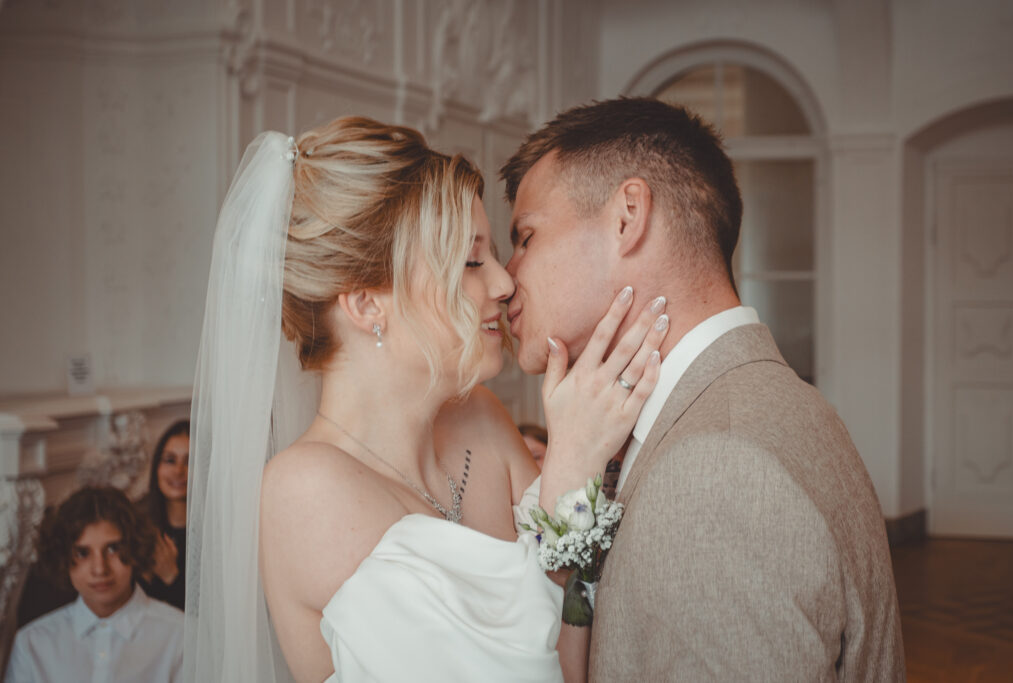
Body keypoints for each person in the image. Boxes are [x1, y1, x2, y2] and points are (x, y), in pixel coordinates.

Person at [185, 117, 667, 682]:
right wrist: (571, 470)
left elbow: (592, 602)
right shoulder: (303, 491)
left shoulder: (481, 418)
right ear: (366, 304)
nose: (505, 284)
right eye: (469, 262)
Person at [500, 97, 906, 681]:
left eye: (525, 237)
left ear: (627, 216)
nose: (507, 279)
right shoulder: (776, 403)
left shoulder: (716, 470)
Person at [5, 487, 184, 683]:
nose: (100, 569)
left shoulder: (180, 635)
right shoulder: (31, 643)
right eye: (82, 553)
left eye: (113, 549)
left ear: (135, 547)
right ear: (63, 557)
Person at [137, 419, 189, 609]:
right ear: (157, 467)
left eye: (189, 462)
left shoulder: (219, 534)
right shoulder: (138, 526)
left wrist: (172, 576)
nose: (178, 471)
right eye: (170, 460)